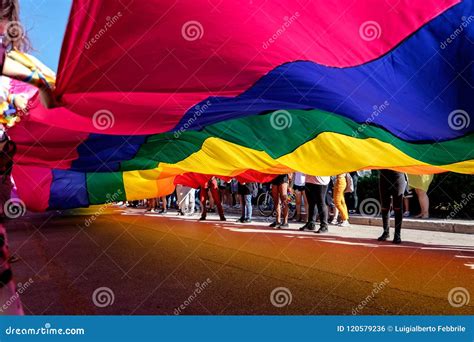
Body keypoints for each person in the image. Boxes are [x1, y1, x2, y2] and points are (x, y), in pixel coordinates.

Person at [378, 170, 407, 244]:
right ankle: (386, 232)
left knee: (398, 207)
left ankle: (397, 234)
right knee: (385, 207)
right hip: (384, 176)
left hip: (398, 175)